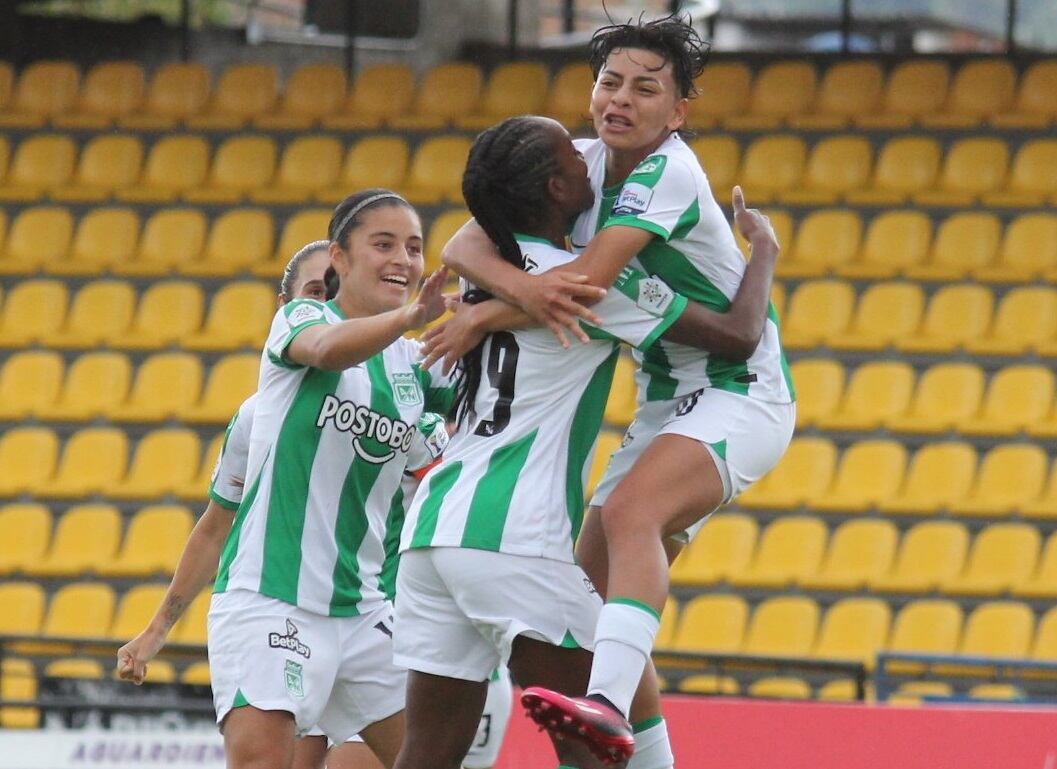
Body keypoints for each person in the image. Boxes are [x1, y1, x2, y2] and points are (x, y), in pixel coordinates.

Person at [441, 16, 794, 766]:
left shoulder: (667, 169)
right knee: (593, 584)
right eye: (608, 82)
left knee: (633, 512)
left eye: (645, 87)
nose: (619, 99)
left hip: (742, 388)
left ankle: (603, 704)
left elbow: (587, 283)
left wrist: (486, 314)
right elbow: (465, 239)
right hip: (667, 395)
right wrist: (510, 290)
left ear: (677, 114)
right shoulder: (580, 163)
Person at [121, 190, 452, 769]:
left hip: (363, 609)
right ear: (339, 258)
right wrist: (158, 628)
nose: (403, 258)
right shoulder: (303, 318)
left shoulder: (415, 364)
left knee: (435, 758)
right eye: (383, 243)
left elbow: (497, 382)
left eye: (415, 247)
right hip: (272, 601)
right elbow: (324, 351)